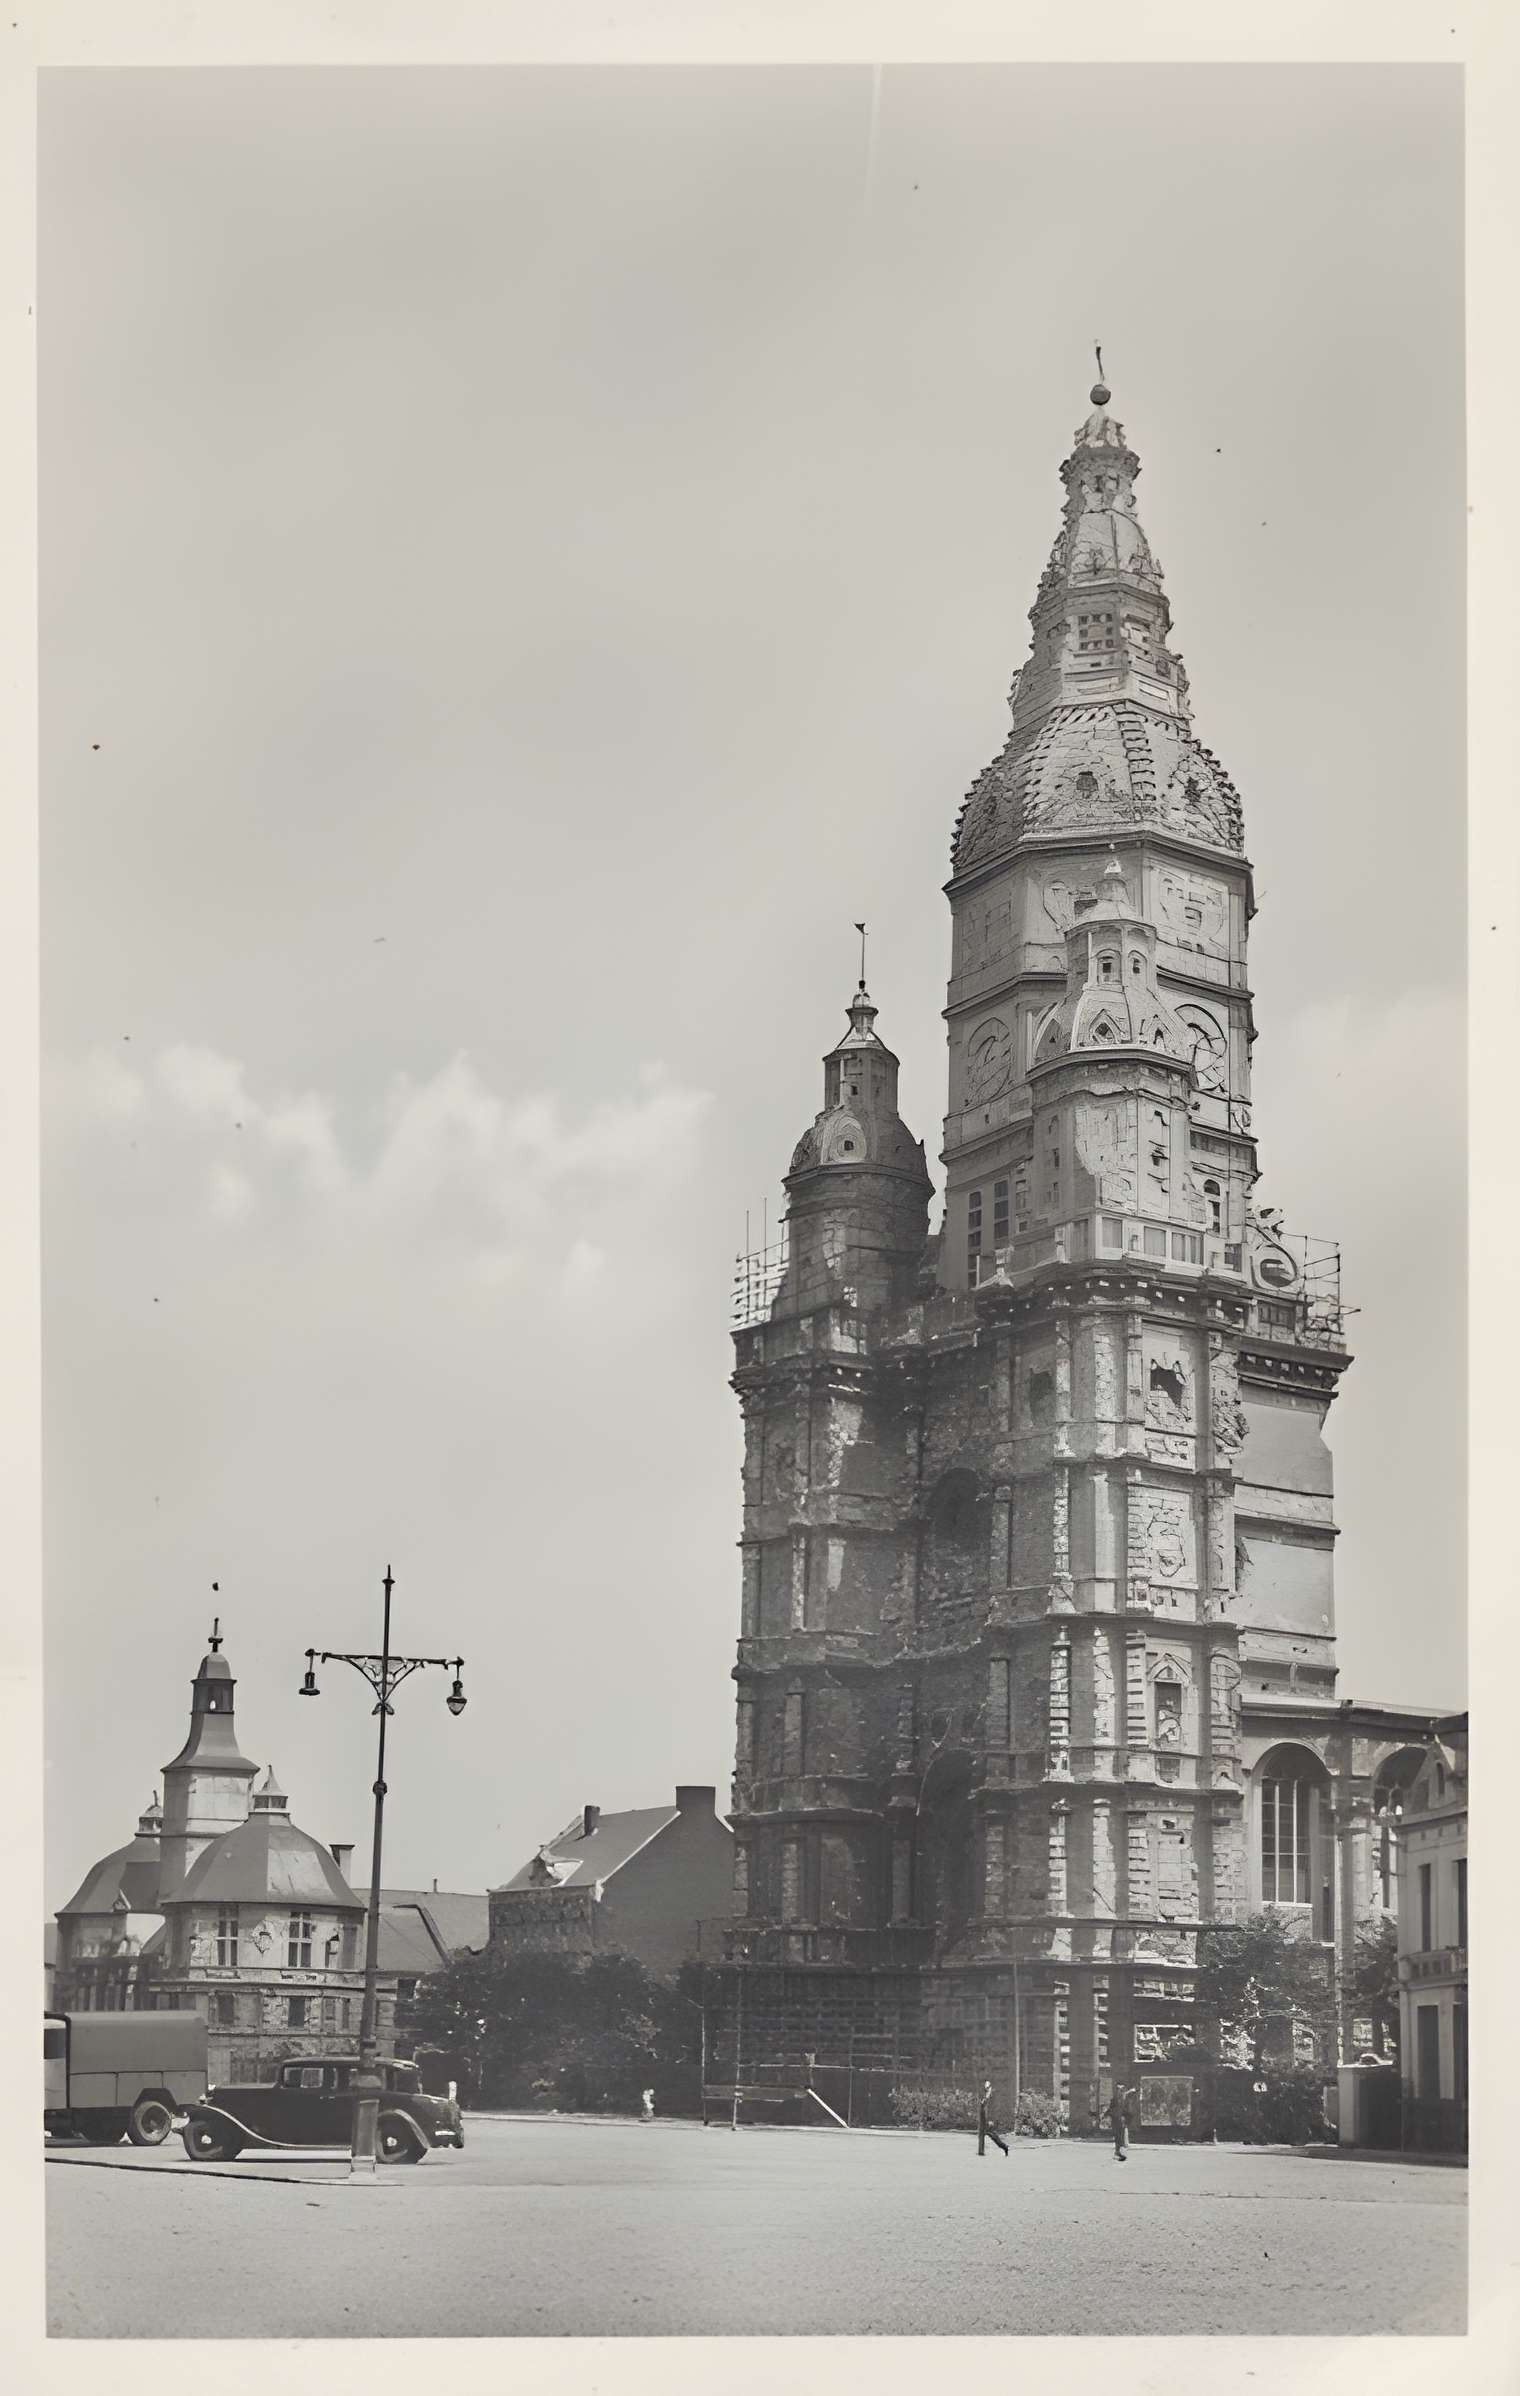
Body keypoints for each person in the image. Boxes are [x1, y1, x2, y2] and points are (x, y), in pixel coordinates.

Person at [977, 2080, 1009, 2158]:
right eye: (986, 2087)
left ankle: (1004, 2147)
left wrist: (991, 2119)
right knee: (981, 2135)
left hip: (987, 2120)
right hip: (983, 2119)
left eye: (988, 2087)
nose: (986, 2088)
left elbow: (992, 2109)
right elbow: (982, 2104)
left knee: (994, 2137)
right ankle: (981, 2152)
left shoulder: (991, 2097)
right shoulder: (985, 2095)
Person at [1109, 2080, 1135, 2161]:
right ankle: (1118, 2153)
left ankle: (1119, 2153)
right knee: (1118, 2138)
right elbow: (1111, 2110)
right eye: (1118, 2089)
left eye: (1121, 2089)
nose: (1120, 2091)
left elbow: (1127, 2111)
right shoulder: (1115, 2099)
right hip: (1116, 2121)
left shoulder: (1124, 2099)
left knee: (1121, 2137)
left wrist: (1125, 2118)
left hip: (1121, 2121)